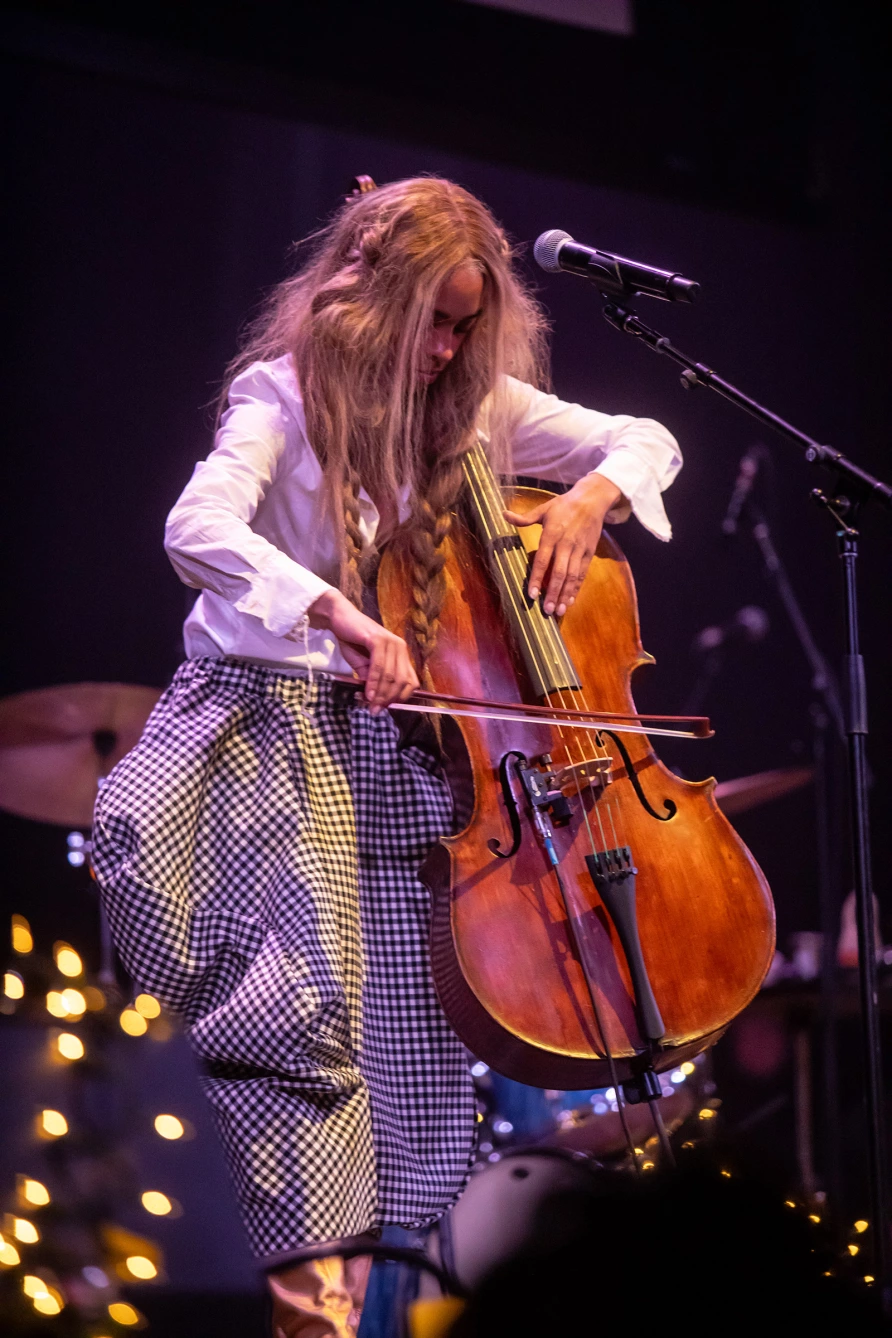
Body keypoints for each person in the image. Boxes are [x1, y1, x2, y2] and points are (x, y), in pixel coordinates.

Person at [90, 176, 682, 1337]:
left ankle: (369, 1307)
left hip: (396, 749)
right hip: (270, 724)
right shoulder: (280, 394)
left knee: (401, 1070)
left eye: (469, 325)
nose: (450, 346)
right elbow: (195, 527)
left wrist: (590, 500)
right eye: (435, 322)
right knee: (298, 1029)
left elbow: (646, 435)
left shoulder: (472, 409)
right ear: (372, 302)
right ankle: (313, 1310)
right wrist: (337, 613)